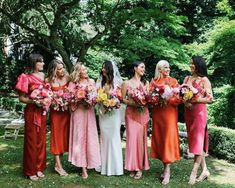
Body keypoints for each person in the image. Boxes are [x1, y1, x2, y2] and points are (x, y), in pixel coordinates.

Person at [15, 54, 47, 181]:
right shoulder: (25, 77)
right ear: (35, 63)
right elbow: (21, 98)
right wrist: (34, 102)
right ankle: (30, 170)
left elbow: (48, 92)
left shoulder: (44, 76)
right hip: (31, 112)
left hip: (42, 112)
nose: (43, 64)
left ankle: (39, 168)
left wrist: (46, 100)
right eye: (41, 62)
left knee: (41, 140)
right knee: (31, 141)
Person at [150, 60, 181, 185]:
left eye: (168, 67)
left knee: (168, 139)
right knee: (162, 140)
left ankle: (167, 170)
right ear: (159, 69)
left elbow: (179, 98)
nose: (168, 69)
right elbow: (150, 99)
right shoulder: (154, 82)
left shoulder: (173, 81)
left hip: (169, 114)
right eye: (165, 67)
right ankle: (165, 166)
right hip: (158, 114)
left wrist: (169, 99)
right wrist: (157, 100)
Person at [183, 56, 213, 185]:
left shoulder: (204, 80)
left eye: (193, 64)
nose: (190, 65)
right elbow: (182, 95)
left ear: (198, 65)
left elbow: (210, 99)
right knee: (194, 142)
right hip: (189, 113)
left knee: (199, 142)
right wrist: (185, 102)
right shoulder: (187, 79)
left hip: (200, 113)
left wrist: (196, 99)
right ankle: (205, 170)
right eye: (190, 63)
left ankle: (194, 172)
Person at [68, 63, 101, 179]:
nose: (86, 71)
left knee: (90, 137)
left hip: (89, 112)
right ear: (78, 72)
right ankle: (82, 167)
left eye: (86, 69)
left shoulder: (91, 82)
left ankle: (91, 162)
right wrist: (79, 100)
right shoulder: (73, 84)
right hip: (78, 112)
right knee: (80, 137)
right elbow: (70, 99)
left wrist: (91, 101)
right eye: (83, 69)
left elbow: (96, 98)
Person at [121, 61, 150, 179]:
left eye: (144, 67)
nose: (143, 69)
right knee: (132, 140)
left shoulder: (146, 83)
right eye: (142, 67)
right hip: (131, 114)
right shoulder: (126, 83)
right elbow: (123, 99)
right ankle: (133, 166)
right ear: (135, 68)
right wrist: (133, 103)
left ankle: (138, 168)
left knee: (141, 141)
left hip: (143, 114)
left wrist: (143, 102)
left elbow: (149, 99)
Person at [96, 60, 124, 176]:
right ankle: (104, 165)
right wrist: (103, 102)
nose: (103, 70)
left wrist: (114, 103)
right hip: (103, 113)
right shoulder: (99, 82)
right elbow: (96, 97)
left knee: (114, 137)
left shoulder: (118, 82)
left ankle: (116, 167)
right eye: (102, 68)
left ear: (109, 69)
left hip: (114, 114)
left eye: (105, 68)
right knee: (104, 138)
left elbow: (120, 98)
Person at [46, 58, 70, 176]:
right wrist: (54, 100)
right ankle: (59, 166)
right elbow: (46, 97)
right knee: (56, 137)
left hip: (66, 112)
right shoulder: (48, 80)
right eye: (59, 69)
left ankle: (58, 163)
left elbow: (72, 92)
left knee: (64, 138)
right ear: (53, 70)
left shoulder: (68, 78)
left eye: (63, 68)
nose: (62, 71)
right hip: (56, 113)